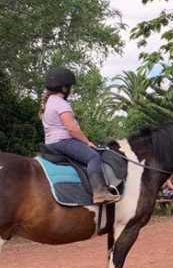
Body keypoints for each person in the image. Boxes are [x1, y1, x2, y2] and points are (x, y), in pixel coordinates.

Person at [40, 66, 121, 205]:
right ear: (65, 88)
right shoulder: (61, 103)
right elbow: (72, 129)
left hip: (51, 143)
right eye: (70, 87)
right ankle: (100, 192)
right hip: (63, 142)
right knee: (93, 156)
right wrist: (87, 142)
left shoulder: (49, 103)